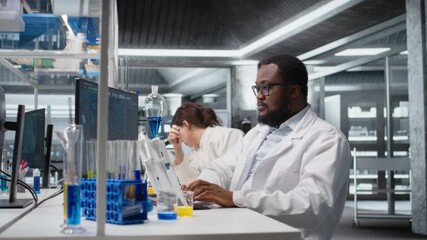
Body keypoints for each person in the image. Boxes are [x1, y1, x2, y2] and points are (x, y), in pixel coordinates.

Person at [184, 55, 351, 239]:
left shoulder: (327, 139)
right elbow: (222, 167)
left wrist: (235, 198)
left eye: (267, 87)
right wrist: (202, 188)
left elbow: (311, 205)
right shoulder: (259, 132)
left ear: (294, 90)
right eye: (257, 88)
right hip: (241, 229)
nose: (260, 96)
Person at [167, 102, 244, 184]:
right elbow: (188, 181)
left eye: (178, 131)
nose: (180, 139)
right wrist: (177, 147)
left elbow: (232, 176)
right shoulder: (197, 149)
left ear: (186, 125)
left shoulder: (226, 136)